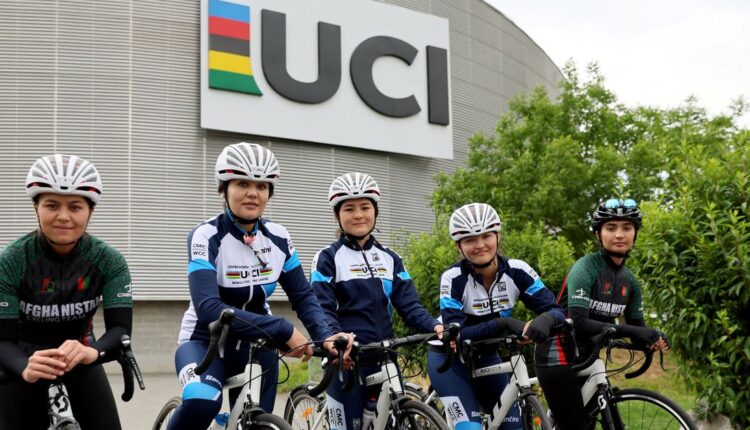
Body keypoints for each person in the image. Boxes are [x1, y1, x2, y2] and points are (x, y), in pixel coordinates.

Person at [167, 142, 349, 430]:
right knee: (203, 400)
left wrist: (325, 336)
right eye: (243, 184)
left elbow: (303, 296)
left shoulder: (278, 237)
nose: (253, 193)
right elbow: (208, 309)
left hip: (258, 346)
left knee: (257, 422)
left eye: (262, 186)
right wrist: (281, 329)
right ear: (223, 189)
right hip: (204, 342)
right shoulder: (205, 235)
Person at [0, 154, 133, 429]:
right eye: (51, 205)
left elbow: (120, 330)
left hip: (80, 355)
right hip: (24, 359)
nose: (63, 216)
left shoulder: (109, 261)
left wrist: (93, 352)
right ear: (36, 207)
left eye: (75, 206)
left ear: (90, 211)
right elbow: (3, 339)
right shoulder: (11, 261)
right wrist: (24, 366)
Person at [311, 172, 442, 430]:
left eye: (365, 207)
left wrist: (435, 327)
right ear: (337, 215)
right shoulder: (327, 257)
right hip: (346, 359)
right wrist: (335, 339)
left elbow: (410, 306)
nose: (358, 215)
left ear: (375, 211)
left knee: (396, 420)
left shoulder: (390, 258)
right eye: (349, 209)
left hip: (385, 358)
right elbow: (322, 308)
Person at [426, 202, 564, 430]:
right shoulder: (453, 278)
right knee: (470, 428)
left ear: (497, 236)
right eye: (470, 239)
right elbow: (457, 334)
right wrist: (504, 323)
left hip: (487, 356)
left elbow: (556, 310)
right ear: (458, 246)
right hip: (449, 359)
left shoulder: (518, 271)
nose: (480, 245)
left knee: (513, 427)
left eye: (486, 236)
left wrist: (544, 320)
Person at [534, 198, 669, 430]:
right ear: (599, 234)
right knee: (576, 427)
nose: (619, 235)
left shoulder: (630, 282)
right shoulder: (585, 268)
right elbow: (577, 321)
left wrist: (653, 339)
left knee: (588, 423)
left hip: (589, 354)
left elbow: (637, 331)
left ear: (635, 233)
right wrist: (632, 330)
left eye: (627, 228)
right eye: (611, 228)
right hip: (557, 353)